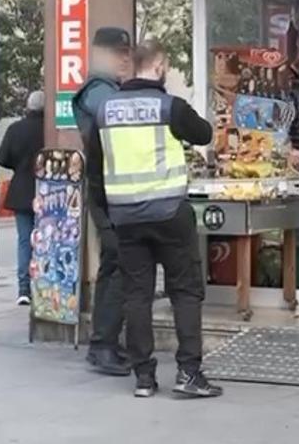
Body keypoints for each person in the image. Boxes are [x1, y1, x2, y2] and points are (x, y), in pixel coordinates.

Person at [96, 38, 221, 399]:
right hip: (168, 213)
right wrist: (177, 101)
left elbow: (95, 168)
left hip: (126, 217)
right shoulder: (169, 107)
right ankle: (189, 373)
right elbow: (204, 133)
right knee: (185, 291)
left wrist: (108, 213)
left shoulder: (105, 110)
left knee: (137, 295)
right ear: (160, 66)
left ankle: (144, 378)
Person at [72, 26, 133, 376]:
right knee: (117, 266)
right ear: (101, 54)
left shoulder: (111, 90)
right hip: (105, 193)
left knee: (117, 266)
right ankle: (102, 344)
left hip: (117, 192)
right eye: (119, 54)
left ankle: (108, 339)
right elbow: (113, 114)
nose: (125, 60)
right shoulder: (97, 92)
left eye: (128, 54)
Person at [0, 90, 46, 305]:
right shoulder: (50, 130)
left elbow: (3, 158)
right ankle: (44, 285)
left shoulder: (15, 129)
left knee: (24, 240)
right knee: (46, 240)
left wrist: (19, 166)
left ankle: (23, 288)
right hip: (46, 192)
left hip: (21, 190)